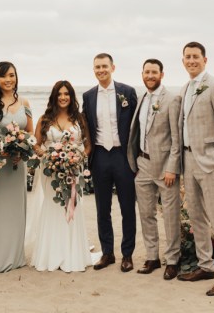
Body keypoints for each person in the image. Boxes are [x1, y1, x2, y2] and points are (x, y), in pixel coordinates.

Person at [176, 42, 214, 296]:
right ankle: (205, 265)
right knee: (197, 217)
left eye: (195, 57)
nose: (191, 61)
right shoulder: (186, 88)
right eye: (187, 57)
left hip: (210, 163)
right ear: (183, 61)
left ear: (205, 59)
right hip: (188, 162)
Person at [27, 80, 97, 272]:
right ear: (54, 97)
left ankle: (72, 252)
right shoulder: (45, 119)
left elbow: (88, 145)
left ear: (71, 96)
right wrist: (48, 157)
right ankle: (51, 253)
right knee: (53, 206)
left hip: (73, 171)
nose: (63, 97)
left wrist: (77, 159)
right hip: (50, 172)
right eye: (60, 94)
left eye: (67, 94)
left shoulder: (80, 119)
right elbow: (36, 143)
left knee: (72, 206)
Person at [82, 53, 138, 272]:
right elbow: (85, 125)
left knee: (127, 208)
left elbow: (136, 126)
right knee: (102, 208)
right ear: (93, 69)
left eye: (104, 66)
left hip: (122, 156)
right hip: (100, 156)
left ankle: (127, 254)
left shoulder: (127, 92)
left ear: (113, 67)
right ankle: (107, 253)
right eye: (97, 67)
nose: (101, 70)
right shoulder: (88, 96)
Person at [127, 59, 182, 280]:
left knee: (170, 215)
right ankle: (152, 257)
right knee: (146, 214)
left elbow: (177, 139)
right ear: (142, 74)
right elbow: (137, 132)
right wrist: (135, 164)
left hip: (165, 168)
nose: (150, 75)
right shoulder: (141, 98)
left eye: (154, 72)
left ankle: (172, 260)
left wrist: (172, 168)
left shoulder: (172, 100)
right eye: (146, 72)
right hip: (142, 165)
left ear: (162, 74)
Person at [0, 62, 34, 274]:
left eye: (11, 75)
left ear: (16, 77)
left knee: (14, 210)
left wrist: (21, 147)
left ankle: (15, 257)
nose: (8, 80)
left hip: (16, 165)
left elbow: (30, 132)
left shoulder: (25, 102)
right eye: (3, 76)